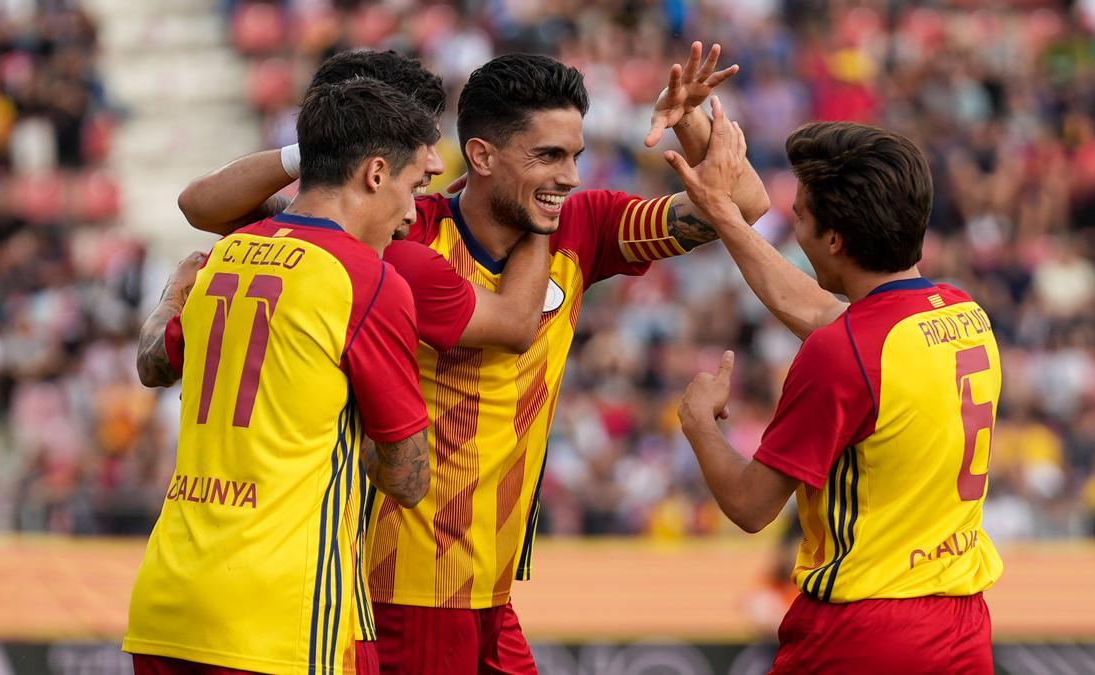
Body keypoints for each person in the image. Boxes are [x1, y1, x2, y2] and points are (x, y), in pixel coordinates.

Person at [179, 44, 769, 674]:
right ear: (482, 156)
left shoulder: (584, 224)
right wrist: (318, 152)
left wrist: (690, 118)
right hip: (401, 586)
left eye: (575, 156)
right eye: (547, 156)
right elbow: (204, 208)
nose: (569, 176)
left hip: (492, 592)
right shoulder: (401, 233)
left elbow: (743, 208)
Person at [124, 78, 439, 675]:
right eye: (413, 185)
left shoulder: (227, 255)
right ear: (376, 173)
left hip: (168, 606)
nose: (411, 213)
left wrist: (171, 297)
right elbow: (407, 479)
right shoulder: (368, 281)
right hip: (285, 622)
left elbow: (152, 362)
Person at [670, 116, 1001, 673]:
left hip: (861, 633)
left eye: (799, 215)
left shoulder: (839, 354)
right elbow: (825, 316)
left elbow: (752, 508)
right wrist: (725, 216)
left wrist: (699, 423)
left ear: (834, 240)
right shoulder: (963, 313)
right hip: (962, 627)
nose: (793, 225)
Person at [179, 49, 552, 356]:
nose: (437, 164)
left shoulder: (293, 234)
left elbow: (200, 208)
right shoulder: (399, 260)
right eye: (423, 145)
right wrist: (539, 204)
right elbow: (516, 326)